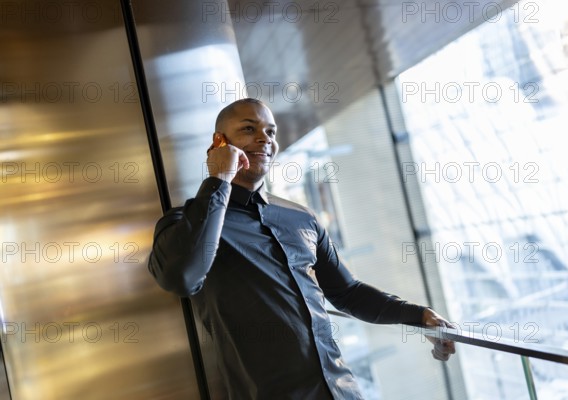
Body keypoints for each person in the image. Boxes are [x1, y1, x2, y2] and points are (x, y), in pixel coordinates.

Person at [148, 98, 455, 399]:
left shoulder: (300, 217)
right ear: (220, 141)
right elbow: (181, 277)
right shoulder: (187, 224)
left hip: (341, 391)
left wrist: (419, 316)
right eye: (248, 129)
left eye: (271, 131)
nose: (264, 139)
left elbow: (347, 293)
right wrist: (219, 179)